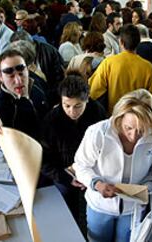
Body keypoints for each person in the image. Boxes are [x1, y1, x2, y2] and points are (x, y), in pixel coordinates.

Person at [74, 89, 152, 242]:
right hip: (100, 205)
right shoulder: (98, 132)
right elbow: (81, 165)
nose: (134, 136)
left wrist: (149, 184)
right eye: (128, 128)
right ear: (119, 118)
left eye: (141, 130)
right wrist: (96, 183)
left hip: (134, 208)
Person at [41, 70, 107, 226]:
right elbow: (43, 160)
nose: (72, 111)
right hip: (64, 174)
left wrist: (90, 176)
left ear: (87, 100)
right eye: (67, 105)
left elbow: (107, 146)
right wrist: (66, 177)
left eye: (78, 106)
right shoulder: (51, 121)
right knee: (67, 215)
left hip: (93, 173)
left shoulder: (97, 112)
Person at [0, 49, 40, 153]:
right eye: (11, 75)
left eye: (21, 72)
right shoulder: (3, 106)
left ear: (27, 69)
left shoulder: (36, 84)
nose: (18, 80)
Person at [89, 24, 152, 113]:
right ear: (138, 42)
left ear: (121, 42)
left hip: (114, 114)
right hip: (137, 116)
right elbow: (150, 98)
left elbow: (94, 91)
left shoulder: (109, 62)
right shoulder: (147, 66)